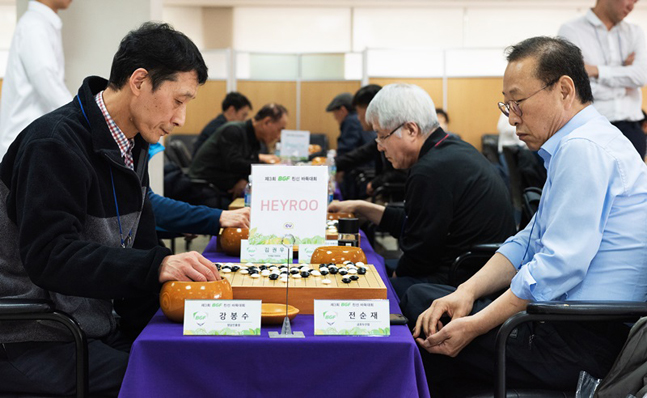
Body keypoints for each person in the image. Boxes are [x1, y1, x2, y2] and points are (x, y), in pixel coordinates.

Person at [401, 36, 647, 397]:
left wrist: (476, 324)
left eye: (518, 103)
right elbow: (526, 242)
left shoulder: (584, 150)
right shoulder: (581, 143)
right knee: (428, 299)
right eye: (507, 105)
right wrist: (466, 293)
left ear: (564, 90)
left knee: (424, 322)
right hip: (565, 323)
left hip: (584, 340)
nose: (512, 118)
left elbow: (556, 266)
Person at [0, 22, 223, 397]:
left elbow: (142, 249)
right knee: (174, 383)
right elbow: (50, 256)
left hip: (91, 326)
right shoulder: (53, 144)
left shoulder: (130, 146)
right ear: (139, 81)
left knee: (189, 363)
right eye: (179, 100)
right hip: (34, 336)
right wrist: (157, 267)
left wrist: (173, 327)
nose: (181, 119)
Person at [328, 83, 516, 299]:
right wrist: (361, 207)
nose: (379, 146)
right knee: (371, 267)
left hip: (460, 284)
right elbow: (416, 223)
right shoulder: (451, 149)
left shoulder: (429, 170)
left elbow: (420, 253)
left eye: (381, 136)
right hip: (470, 270)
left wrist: (392, 283)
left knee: (359, 283)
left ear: (410, 130)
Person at [558, 0, 647, 159]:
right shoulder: (571, 31)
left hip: (632, 130)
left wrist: (595, 71)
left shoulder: (635, 32)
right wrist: (625, 83)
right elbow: (576, 89)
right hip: (589, 129)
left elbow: (641, 76)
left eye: (636, 1)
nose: (632, 6)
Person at [0, 0, 73, 160]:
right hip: (20, 146)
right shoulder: (34, 26)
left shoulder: (42, 24)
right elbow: (50, 87)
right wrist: (86, 119)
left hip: (29, 143)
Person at [189, 104, 285, 204]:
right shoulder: (233, 131)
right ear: (267, 122)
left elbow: (246, 164)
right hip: (206, 189)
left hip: (222, 190)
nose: (278, 136)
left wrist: (244, 179)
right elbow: (234, 163)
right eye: (279, 129)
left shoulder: (255, 138)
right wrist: (262, 169)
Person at [335, 84, 406, 199]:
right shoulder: (383, 135)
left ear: (372, 109)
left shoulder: (395, 135)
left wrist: (375, 182)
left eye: (359, 112)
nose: (358, 118)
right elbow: (360, 154)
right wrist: (331, 164)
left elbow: (401, 172)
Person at [327, 92, 376, 199]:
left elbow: (346, 150)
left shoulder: (351, 121)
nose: (335, 118)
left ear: (343, 110)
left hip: (360, 174)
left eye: (335, 113)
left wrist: (333, 165)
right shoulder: (355, 120)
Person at [192, 91, 252, 156]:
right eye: (244, 115)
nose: (244, 120)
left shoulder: (220, 123)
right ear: (232, 110)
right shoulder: (219, 128)